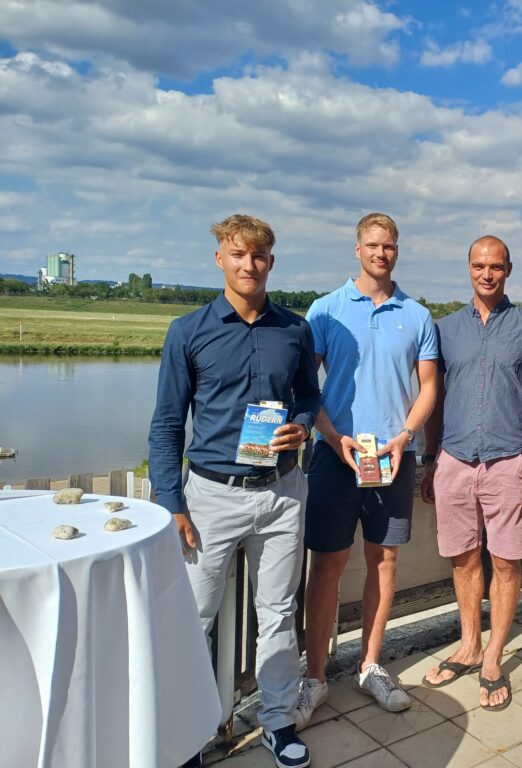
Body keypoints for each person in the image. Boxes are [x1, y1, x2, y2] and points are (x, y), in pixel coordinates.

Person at [149, 214, 320, 768]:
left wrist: (301, 425)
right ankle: (185, 737)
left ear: (272, 261)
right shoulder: (187, 331)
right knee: (192, 619)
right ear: (219, 258)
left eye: (259, 256)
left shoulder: (295, 330)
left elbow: (308, 395)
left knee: (278, 613)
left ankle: (278, 721)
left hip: (282, 492)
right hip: (210, 498)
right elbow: (167, 425)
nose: (250, 265)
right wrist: (171, 502)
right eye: (238, 254)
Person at [296, 212, 437, 724]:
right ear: (357, 249)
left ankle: (370, 665)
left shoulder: (417, 316)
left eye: (390, 246)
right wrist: (332, 437)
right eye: (373, 245)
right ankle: (315, 678)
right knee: (327, 565)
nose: (382, 253)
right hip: (336, 458)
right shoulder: (326, 310)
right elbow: (305, 387)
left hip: (393, 458)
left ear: (398, 250)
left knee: (384, 561)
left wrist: (406, 437)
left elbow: (429, 388)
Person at [419, 235, 522, 710]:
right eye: (479, 265)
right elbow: (434, 398)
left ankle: (494, 655)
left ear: (508, 269)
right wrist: (430, 458)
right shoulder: (444, 329)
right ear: (469, 268)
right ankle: (469, 645)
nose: (487, 274)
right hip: (454, 459)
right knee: (462, 558)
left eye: (495, 266)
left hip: (510, 459)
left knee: (507, 561)